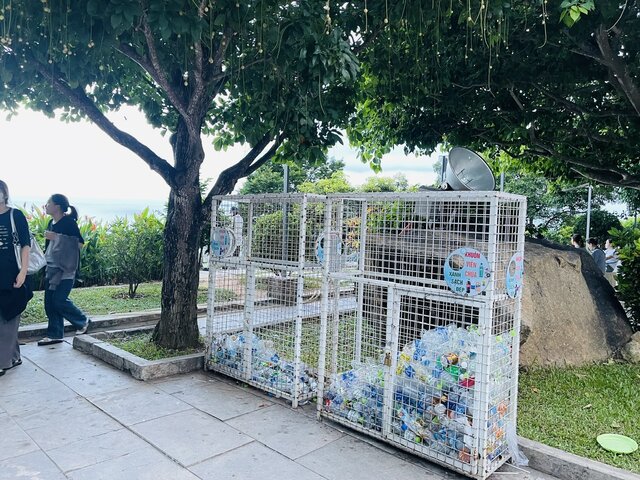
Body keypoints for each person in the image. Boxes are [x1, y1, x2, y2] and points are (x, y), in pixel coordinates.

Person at [37, 194, 91, 346]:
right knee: (49, 302)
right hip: (52, 269)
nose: (46, 205)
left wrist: (57, 237)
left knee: (59, 300)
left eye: (49, 203)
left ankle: (82, 321)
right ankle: (54, 334)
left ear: (57, 206)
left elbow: (79, 244)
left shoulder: (68, 223)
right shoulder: (50, 223)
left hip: (66, 270)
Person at [0, 180, 31, 376]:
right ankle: (14, 356)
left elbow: (26, 245)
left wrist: (23, 272)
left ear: (5, 194)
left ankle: (3, 362)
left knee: (9, 316)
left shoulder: (15, 215)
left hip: (13, 275)